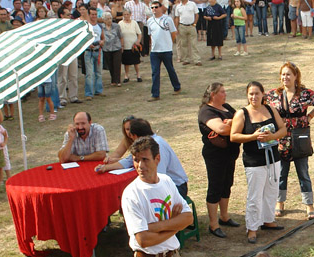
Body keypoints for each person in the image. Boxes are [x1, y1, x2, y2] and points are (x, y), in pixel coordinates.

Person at [229, 81, 287, 245]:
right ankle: (252, 228)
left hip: (273, 159)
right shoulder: (242, 114)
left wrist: (272, 136)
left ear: (263, 94)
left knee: (271, 191)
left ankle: (268, 220)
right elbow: (234, 136)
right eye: (251, 94)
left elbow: (283, 129)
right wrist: (253, 137)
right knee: (255, 195)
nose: (254, 97)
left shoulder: (270, 109)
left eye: (257, 93)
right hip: (254, 162)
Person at [266, 62, 314, 220]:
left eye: (288, 74)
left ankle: (309, 205)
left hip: (300, 138)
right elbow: (260, 107)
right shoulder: (273, 95)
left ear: (296, 76)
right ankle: (280, 202)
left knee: (303, 173)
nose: (285, 77)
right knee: (281, 173)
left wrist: (310, 116)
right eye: (283, 74)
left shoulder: (306, 94)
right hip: (281, 139)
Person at [96, 117, 187, 197]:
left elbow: (159, 178)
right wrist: (106, 168)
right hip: (163, 186)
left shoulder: (157, 146)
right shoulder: (145, 145)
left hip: (176, 187)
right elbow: (128, 161)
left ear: (135, 136)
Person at [197, 83, 242, 237]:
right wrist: (233, 125)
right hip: (215, 155)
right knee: (215, 186)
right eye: (222, 92)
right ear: (213, 95)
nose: (225, 94)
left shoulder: (227, 107)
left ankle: (224, 216)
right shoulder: (206, 111)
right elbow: (221, 129)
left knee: (227, 184)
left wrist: (232, 123)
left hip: (230, 153)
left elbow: (242, 120)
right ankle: (213, 224)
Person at [146, 0, 181, 102]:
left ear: (161, 8)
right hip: (154, 51)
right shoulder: (150, 21)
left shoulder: (167, 19)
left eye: (156, 7)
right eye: (152, 7)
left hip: (166, 49)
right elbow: (150, 35)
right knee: (155, 72)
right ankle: (155, 94)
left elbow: (173, 32)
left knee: (170, 69)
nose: (154, 9)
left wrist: (169, 43)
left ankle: (177, 86)